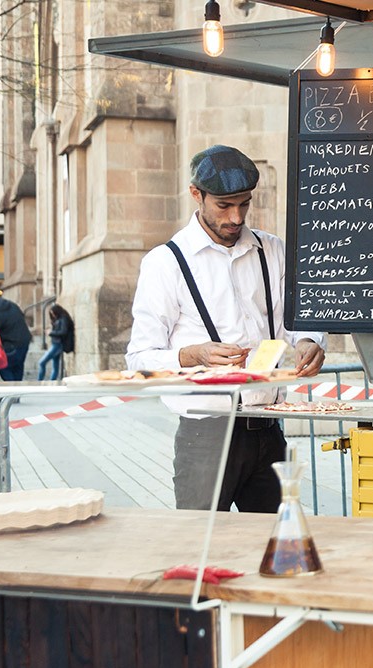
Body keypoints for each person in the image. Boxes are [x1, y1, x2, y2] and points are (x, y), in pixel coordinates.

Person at [126, 145, 326, 512]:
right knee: (201, 548)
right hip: (205, 435)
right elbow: (138, 359)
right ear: (195, 195)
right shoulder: (165, 263)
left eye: (244, 204)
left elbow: (299, 317)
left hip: (268, 428)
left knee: (274, 548)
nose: (236, 217)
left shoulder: (273, 250)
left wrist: (311, 340)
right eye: (223, 205)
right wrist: (192, 354)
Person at [0, 292, 32, 381]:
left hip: (11, 343)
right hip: (24, 340)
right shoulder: (8, 304)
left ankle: (12, 391)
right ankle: (17, 391)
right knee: (18, 369)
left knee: (4, 368)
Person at [37, 304, 74, 380]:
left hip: (58, 344)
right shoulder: (58, 319)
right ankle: (52, 382)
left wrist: (51, 332)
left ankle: (39, 381)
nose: (53, 315)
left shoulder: (63, 319)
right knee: (55, 366)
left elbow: (63, 332)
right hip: (55, 343)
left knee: (42, 362)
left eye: (53, 313)